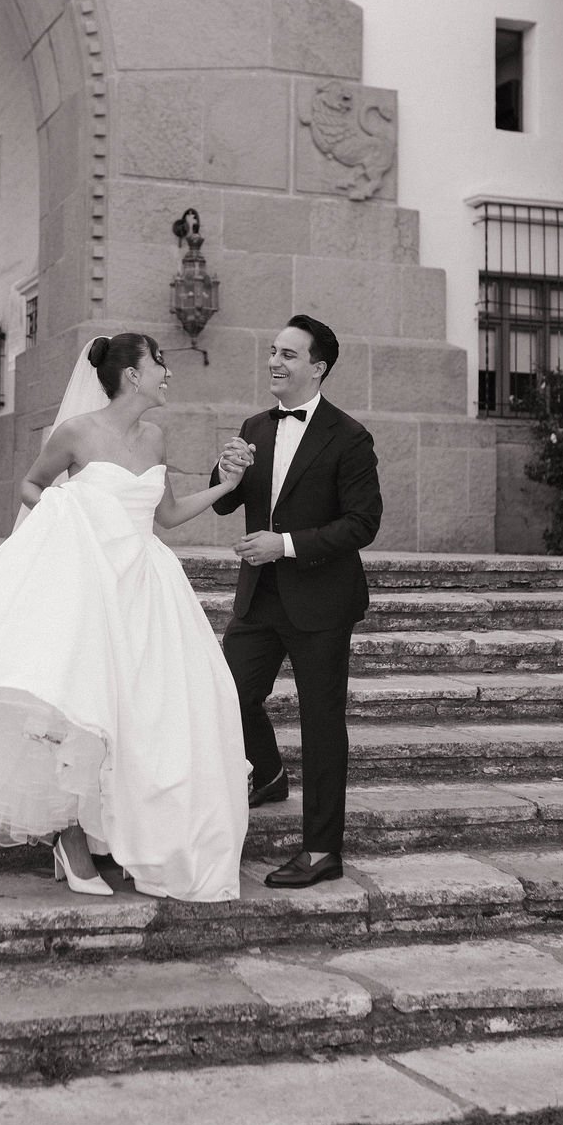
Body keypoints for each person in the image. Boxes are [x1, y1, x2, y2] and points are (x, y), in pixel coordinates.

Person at [0, 332, 250, 903]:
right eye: (160, 363)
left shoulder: (156, 437)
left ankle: (138, 837)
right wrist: (68, 515)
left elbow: (168, 516)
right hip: (89, 581)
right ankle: (71, 836)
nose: (168, 373)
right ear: (132, 375)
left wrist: (225, 486)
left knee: (149, 713)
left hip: (146, 587)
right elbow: (33, 485)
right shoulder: (76, 432)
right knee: (82, 706)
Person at [211, 314, 382, 888]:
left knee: (322, 723)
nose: (274, 363)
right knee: (227, 694)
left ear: (318, 367)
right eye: (273, 352)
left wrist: (283, 544)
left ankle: (321, 850)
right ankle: (267, 776)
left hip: (322, 602)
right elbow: (224, 503)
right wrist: (226, 471)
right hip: (258, 600)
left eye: (288, 355)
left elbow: (363, 524)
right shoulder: (255, 425)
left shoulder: (350, 437)